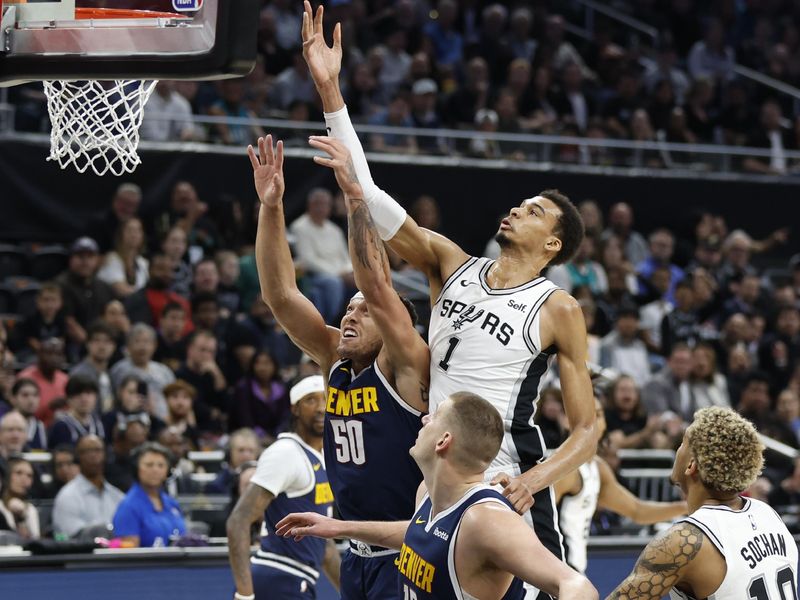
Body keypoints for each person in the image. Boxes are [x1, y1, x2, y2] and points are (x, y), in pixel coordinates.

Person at [301, 8, 596, 597]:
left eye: (534, 210)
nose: (517, 209)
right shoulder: (451, 264)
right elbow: (370, 194)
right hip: (437, 475)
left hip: (505, 476)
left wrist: (535, 481)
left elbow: (589, 427)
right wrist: (331, 93)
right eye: (521, 202)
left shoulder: (557, 306)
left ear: (553, 244)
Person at [250, 130, 429, 600]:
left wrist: (355, 200)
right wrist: (271, 209)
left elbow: (378, 289)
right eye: (347, 309)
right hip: (354, 553)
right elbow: (281, 296)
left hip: (407, 550)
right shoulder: (335, 360)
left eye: (363, 311)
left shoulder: (405, 366)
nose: (351, 314)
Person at [277, 392, 597, 599]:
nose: (424, 418)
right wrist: (341, 528)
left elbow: (577, 586)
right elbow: (422, 534)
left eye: (435, 415)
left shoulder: (485, 519)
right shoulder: (427, 496)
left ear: (443, 440)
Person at [607, 407, 798, 599]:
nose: (677, 450)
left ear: (692, 465)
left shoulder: (685, 540)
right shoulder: (768, 514)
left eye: (682, 443)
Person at [227, 375, 341, 600]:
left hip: (298, 580)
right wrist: (245, 594)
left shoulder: (324, 456)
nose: (321, 408)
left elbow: (325, 546)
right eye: (310, 400)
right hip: (278, 575)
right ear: (295, 408)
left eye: (325, 399)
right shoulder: (285, 452)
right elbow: (238, 521)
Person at [554, 398, 687, 574]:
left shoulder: (597, 467)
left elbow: (636, 511)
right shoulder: (564, 469)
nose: (594, 421)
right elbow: (534, 525)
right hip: (555, 575)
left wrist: (686, 506)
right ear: (566, 420)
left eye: (599, 415)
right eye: (588, 414)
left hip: (573, 573)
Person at [112, 442, 187, 547]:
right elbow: (128, 556)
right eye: (149, 465)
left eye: (161, 465)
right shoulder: (128, 507)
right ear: (137, 468)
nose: (155, 470)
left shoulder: (172, 504)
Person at [52, 434, 124, 539]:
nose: (93, 455)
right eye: (87, 451)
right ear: (78, 457)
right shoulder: (67, 496)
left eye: (97, 450)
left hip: (118, 553)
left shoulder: (117, 496)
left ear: (105, 454)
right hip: (84, 554)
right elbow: (71, 537)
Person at [48, 375, 105, 448]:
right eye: (78, 394)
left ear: (96, 398)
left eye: (88, 393)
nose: (84, 399)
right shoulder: (61, 427)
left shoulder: (99, 424)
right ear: (68, 399)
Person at [0, 456, 39, 540]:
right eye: (18, 473)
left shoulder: (31, 510)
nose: (24, 479)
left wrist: (22, 518)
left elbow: (35, 541)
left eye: (29, 475)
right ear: (6, 475)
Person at [9, 379, 47, 450]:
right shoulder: (2, 424)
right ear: (13, 399)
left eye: (35, 395)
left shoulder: (40, 426)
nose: (31, 400)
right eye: (25, 395)